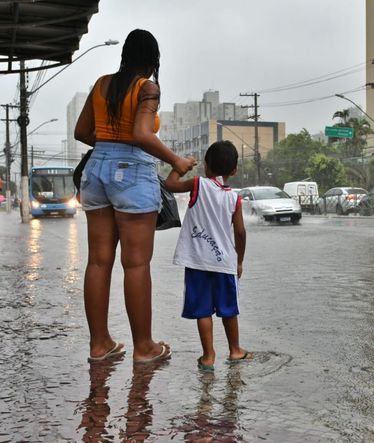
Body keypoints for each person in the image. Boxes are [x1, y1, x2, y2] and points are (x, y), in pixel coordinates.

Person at [74, 29, 195, 364]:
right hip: (132, 173)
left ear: (125, 55)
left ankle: (99, 345)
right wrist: (176, 161)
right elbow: (142, 134)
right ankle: (144, 347)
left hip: (96, 171)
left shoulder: (101, 85)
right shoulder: (147, 87)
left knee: (98, 261)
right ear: (153, 60)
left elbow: (82, 132)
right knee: (136, 264)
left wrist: (109, 145)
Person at [165, 140, 249, 371]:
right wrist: (239, 261)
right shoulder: (234, 198)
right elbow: (240, 232)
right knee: (228, 309)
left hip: (197, 262)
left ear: (205, 165)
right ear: (234, 171)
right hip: (225, 264)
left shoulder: (197, 184)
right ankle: (235, 350)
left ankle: (208, 356)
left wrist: (180, 167)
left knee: (203, 310)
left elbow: (169, 184)